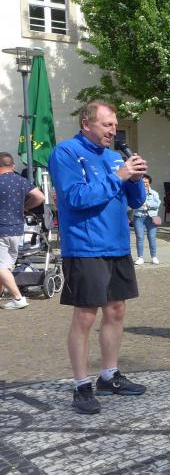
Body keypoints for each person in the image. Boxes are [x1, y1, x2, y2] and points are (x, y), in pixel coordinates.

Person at [48, 100, 149, 415]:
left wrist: (136, 179)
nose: (113, 131)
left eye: (115, 125)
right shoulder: (66, 153)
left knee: (116, 311)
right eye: (107, 125)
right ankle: (81, 385)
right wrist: (119, 176)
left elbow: (136, 201)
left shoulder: (114, 157)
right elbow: (75, 197)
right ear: (86, 124)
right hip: (85, 247)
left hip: (117, 246)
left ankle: (109, 375)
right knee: (85, 316)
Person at [0, 152, 45, 310]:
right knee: (6, 266)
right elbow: (40, 197)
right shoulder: (21, 180)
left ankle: (18, 298)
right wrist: (26, 207)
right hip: (18, 229)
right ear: (12, 165)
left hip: (1, 228)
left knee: (1, 266)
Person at [132, 174, 161, 265]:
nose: (145, 184)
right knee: (140, 237)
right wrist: (145, 206)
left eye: (146, 182)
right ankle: (140, 257)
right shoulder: (136, 193)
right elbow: (134, 205)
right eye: (143, 182)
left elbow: (157, 204)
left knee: (152, 237)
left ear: (149, 183)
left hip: (152, 217)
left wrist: (147, 205)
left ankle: (154, 257)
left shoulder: (154, 193)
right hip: (139, 217)